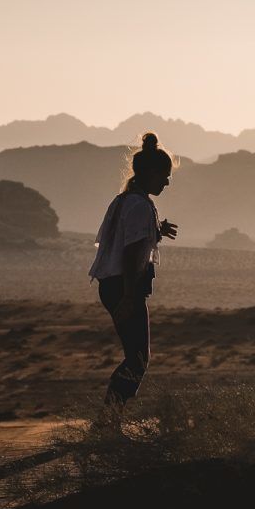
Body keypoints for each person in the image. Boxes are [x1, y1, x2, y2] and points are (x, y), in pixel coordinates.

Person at [88, 132, 179, 405]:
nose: (166, 182)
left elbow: (121, 242)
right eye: (164, 175)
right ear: (150, 172)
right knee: (138, 358)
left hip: (113, 284)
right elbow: (131, 253)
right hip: (123, 286)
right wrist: (129, 296)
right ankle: (109, 418)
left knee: (135, 355)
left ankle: (110, 419)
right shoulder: (140, 206)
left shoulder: (124, 200)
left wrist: (156, 232)